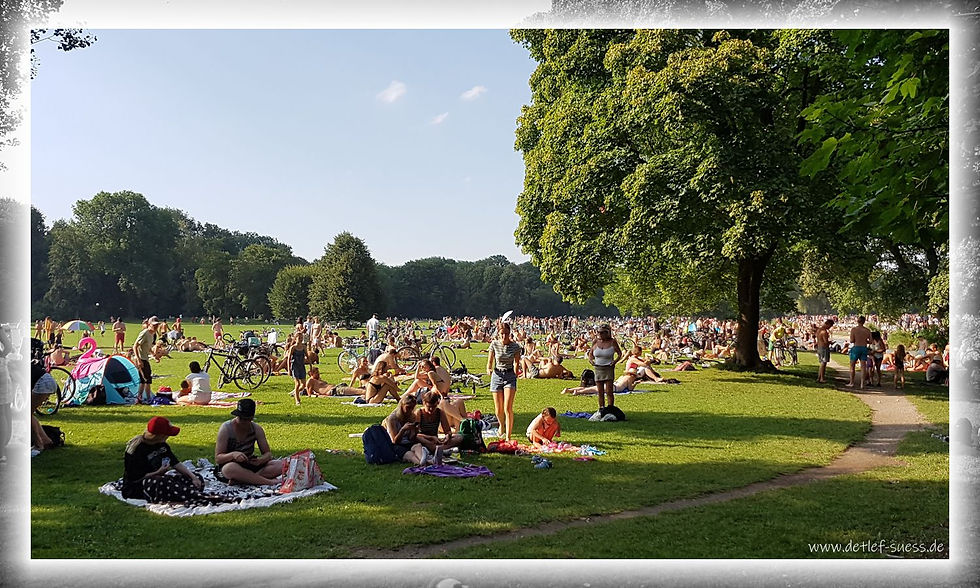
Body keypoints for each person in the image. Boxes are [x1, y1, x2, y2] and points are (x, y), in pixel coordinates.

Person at [121, 416, 212, 502]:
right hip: (139, 486)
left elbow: (175, 462)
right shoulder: (136, 450)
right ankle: (190, 495)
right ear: (160, 435)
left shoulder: (162, 445)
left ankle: (187, 493)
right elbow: (135, 478)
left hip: (160, 477)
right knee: (161, 482)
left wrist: (193, 477)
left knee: (196, 477)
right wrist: (158, 472)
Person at [214, 399, 284, 486]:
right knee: (229, 468)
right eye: (240, 418)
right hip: (230, 465)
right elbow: (218, 458)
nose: (242, 422)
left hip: (249, 465)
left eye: (246, 419)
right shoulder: (226, 428)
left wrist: (260, 460)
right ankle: (268, 482)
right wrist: (233, 455)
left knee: (281, 464)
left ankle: (245, 480)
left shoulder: (256, 429)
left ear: (251, 419)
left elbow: (268, 454)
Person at [486, 321, 522, 441]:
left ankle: (508, 436)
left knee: (507, 408)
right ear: (498, 333)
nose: (504, 336)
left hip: (509, 375)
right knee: (498, 409)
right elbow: (490, 360)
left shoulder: (515, 346)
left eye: (506, 333)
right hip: (497, 375)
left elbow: (517, 362)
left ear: (509, 333)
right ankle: (501, 425)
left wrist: (516, 372)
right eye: (502, 334)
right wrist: (489, 368)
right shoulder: (494, 344)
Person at [382, 394, 433, 465]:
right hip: (396, 446)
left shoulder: (412, 417)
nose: (410, 410)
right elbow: (394, 441)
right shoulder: (392, 419)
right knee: (410, 454)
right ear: (402, 405)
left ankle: (424, 459)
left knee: (417, 446)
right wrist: (403, 430)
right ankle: (423, 462)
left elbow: (411, 439)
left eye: (412, 408)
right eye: (408, 408)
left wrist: (415, 431)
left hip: (408, 443)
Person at [414, 391, 463, 462]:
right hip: (424, 439)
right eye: (429, 407)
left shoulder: (439, 412)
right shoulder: (419, 413)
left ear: (437, 403)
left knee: (459, 437)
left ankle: (438, 450)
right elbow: (415, 434)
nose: (431, 409)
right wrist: (430, 437)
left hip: (435, 440)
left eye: (433, 407)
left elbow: (447, 431)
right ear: (424, 403)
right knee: (419, 439)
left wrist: (447, 437)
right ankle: (441, 450)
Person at [587, 323, 622, 413]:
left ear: (607, 333)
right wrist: (591, 360)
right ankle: (601, 409)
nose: (600, 334)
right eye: (599, 332)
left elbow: (619, 353)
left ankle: (610, 408)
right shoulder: (595, 341)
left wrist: (615, 361)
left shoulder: (612, 342)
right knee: (600, 392)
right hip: (598, 368)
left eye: (602, 333)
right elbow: (590, 353)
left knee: (609, 391)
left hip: (608, 368)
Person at [132, 316, 160, 404]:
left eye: (157, 325)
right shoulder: (145, 333)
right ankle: (148, 399)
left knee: (143, 380)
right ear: (149, 324)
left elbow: (148, 347)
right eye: (154, 325)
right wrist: (138, 359)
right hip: (141, 359)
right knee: (147, 380)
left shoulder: (152, 334)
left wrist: (154, 355)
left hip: (145, 358)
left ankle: (139, 398)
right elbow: (135, 346)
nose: (155, 327)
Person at [846, 316, 872, 389]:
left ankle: (851, 382)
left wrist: (857, 339)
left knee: (852, 365)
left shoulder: (854, 329)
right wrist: (865, 340)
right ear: (864, 322)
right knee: (863, 367)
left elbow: (851, 340)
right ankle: (862, 384)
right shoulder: (867, 330)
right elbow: (870, 341)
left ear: (857, 321)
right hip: (864, 348)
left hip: (856, 347)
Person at [285, 325, 308, 406]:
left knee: (303, 385)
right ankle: (297, 400)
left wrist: (311, 366)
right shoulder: (293, 348)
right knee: (297, 384)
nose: (301, 340)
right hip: (295, 366)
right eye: (299, 338)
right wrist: (288, 369)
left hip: (302, 366)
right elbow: (288, 359)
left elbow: (307, 357)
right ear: (295, 339)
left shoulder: (304, 347)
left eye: (302, 339)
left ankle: (295, 392)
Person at [815, 319, 833, 383]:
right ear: (828, 324)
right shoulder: (824, 332)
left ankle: (819, 377)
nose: (829, 328)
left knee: (821, 363)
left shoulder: (819, 330)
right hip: (824, 348)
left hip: (819, 347)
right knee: (823, 363)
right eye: (830, 326)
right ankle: (822, 378)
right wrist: (830, 342)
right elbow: (825, 342)